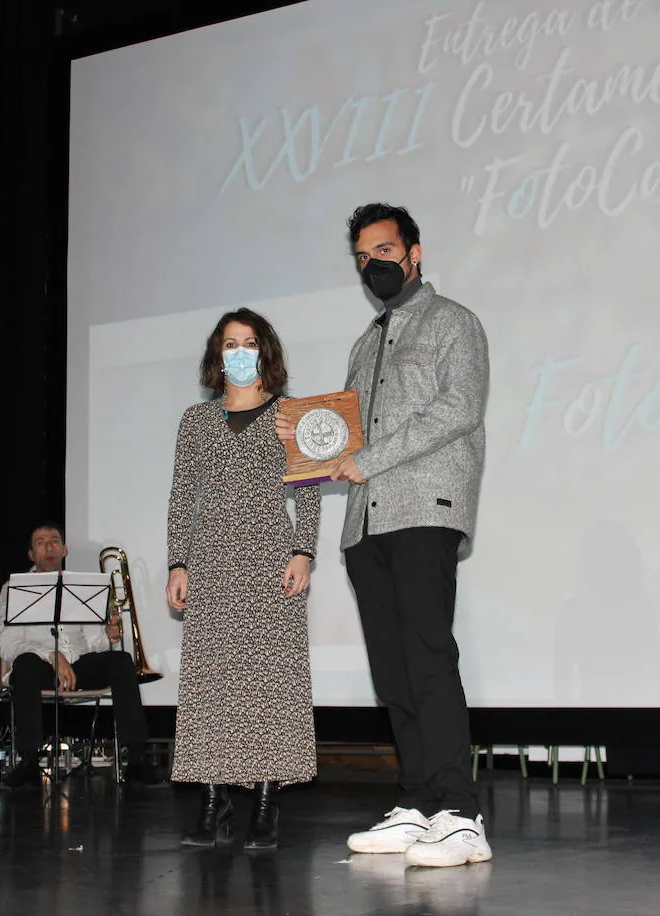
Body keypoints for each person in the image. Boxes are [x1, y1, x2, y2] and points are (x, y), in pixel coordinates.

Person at [278, 203, 491, 867]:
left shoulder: (454, 322)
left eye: (384, 249)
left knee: (428, 657)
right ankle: (420, 801)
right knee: (393, 672)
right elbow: (345, 434)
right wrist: (311, 446)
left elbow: (458, 409)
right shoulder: (365, 343)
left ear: (415, 251)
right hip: (364, 525)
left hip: (425, 510)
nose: (374, 264)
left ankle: (460, 812)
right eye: (363, 257)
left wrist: (362, 460)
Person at [166, 308, 321, 851]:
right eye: (230, 343)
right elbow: (183, 496)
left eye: (249, 343)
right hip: (210, 562)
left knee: (268, 681)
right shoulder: (196, 420)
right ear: (216, 353)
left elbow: (308, 492)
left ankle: (263, 799)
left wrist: (304, 552)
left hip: (270, 559)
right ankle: (213, 801)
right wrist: (177, 562)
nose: (239, 352)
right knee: (210, 681)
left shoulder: (292, 416)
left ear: (265, 352)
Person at [0, 524, 158, 788]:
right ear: (30, 554)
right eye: (40, 542)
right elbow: (5, 642)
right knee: (24, 665)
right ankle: (28, 761)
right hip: (40, 668)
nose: (48, 547)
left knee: (121, 661)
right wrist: (51, 655)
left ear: (64, 549)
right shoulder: (13, 588)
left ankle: (137, 757)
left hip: (79, 665)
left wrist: (109, 635)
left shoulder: (82, 586)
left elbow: (94, 642)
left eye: (54, 541)